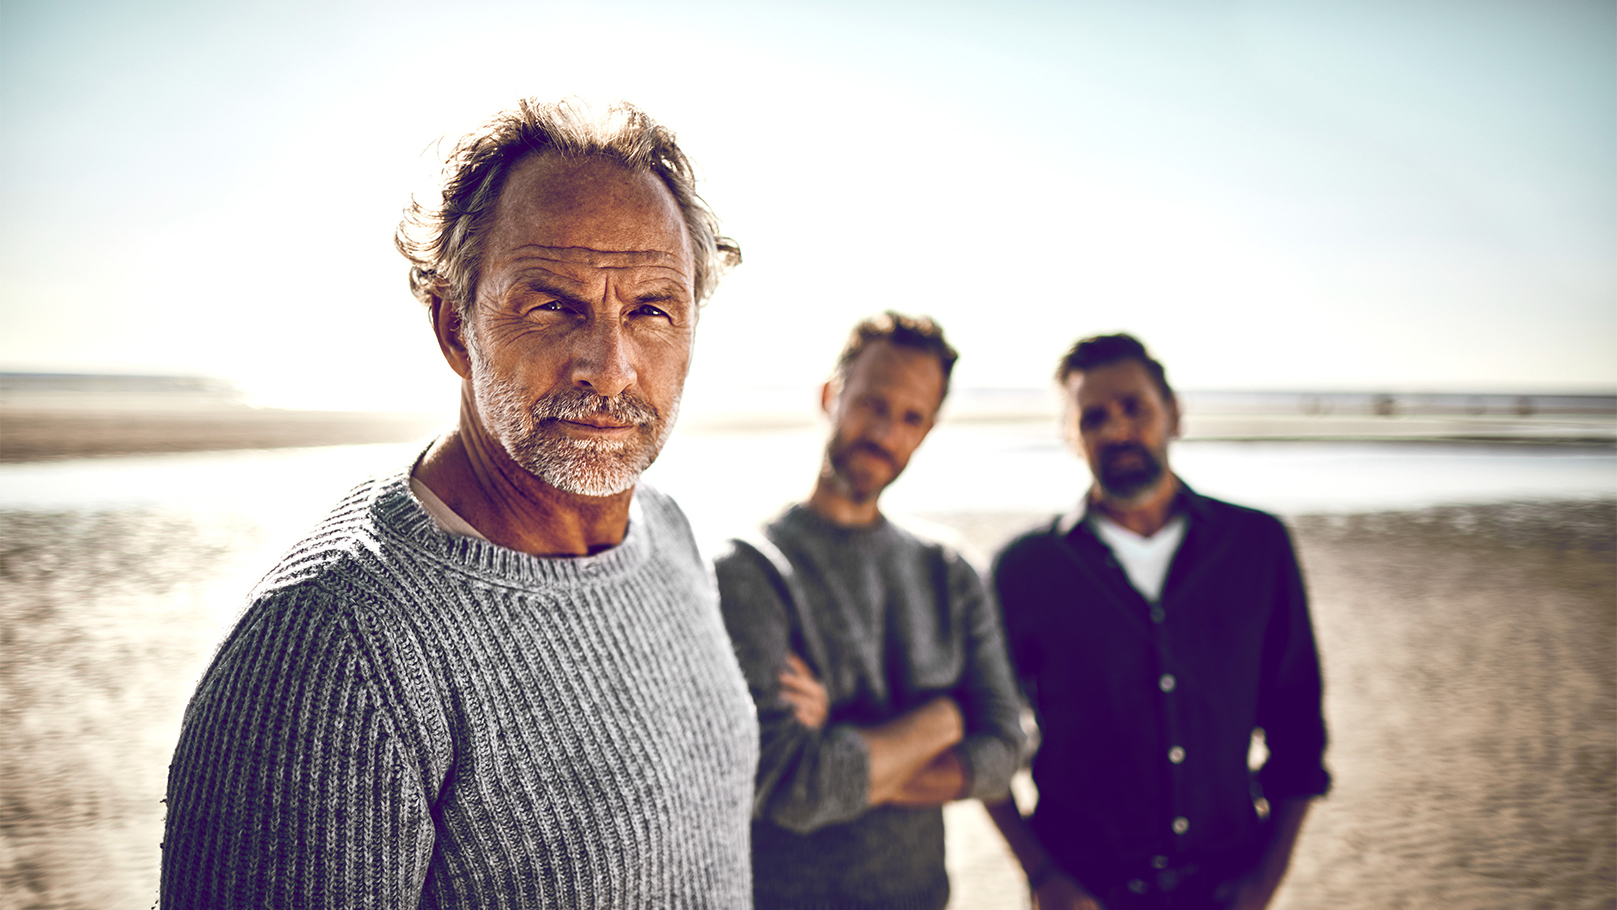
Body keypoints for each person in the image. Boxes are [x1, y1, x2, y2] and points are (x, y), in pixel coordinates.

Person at [161, 99, 757, 908]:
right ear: (453, 326)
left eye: (651, 310)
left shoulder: (670, 535)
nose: (610, 367)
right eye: (553, 305)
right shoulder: (335, 644)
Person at [987, 334, 1331, 910]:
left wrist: (1264, 883)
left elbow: (1298, 726)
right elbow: (983, 733)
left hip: (1227, 884)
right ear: (1072, 437)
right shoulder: (1025, 568)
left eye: (1134, 408)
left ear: (1174, 414)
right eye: (1093, 417)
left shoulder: (1256, 546)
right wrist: (1041, 874)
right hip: (1083, 890)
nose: (1117, 430)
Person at [714, 312, 1025, 910]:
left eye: (911, 418)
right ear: (832, 396)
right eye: (873, 404)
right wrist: (940, 721)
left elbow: (1004, 751)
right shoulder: (750, 568)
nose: (885, 433)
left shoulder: (950, 571)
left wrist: (841, 742)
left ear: (928, 430)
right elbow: (789, 785)